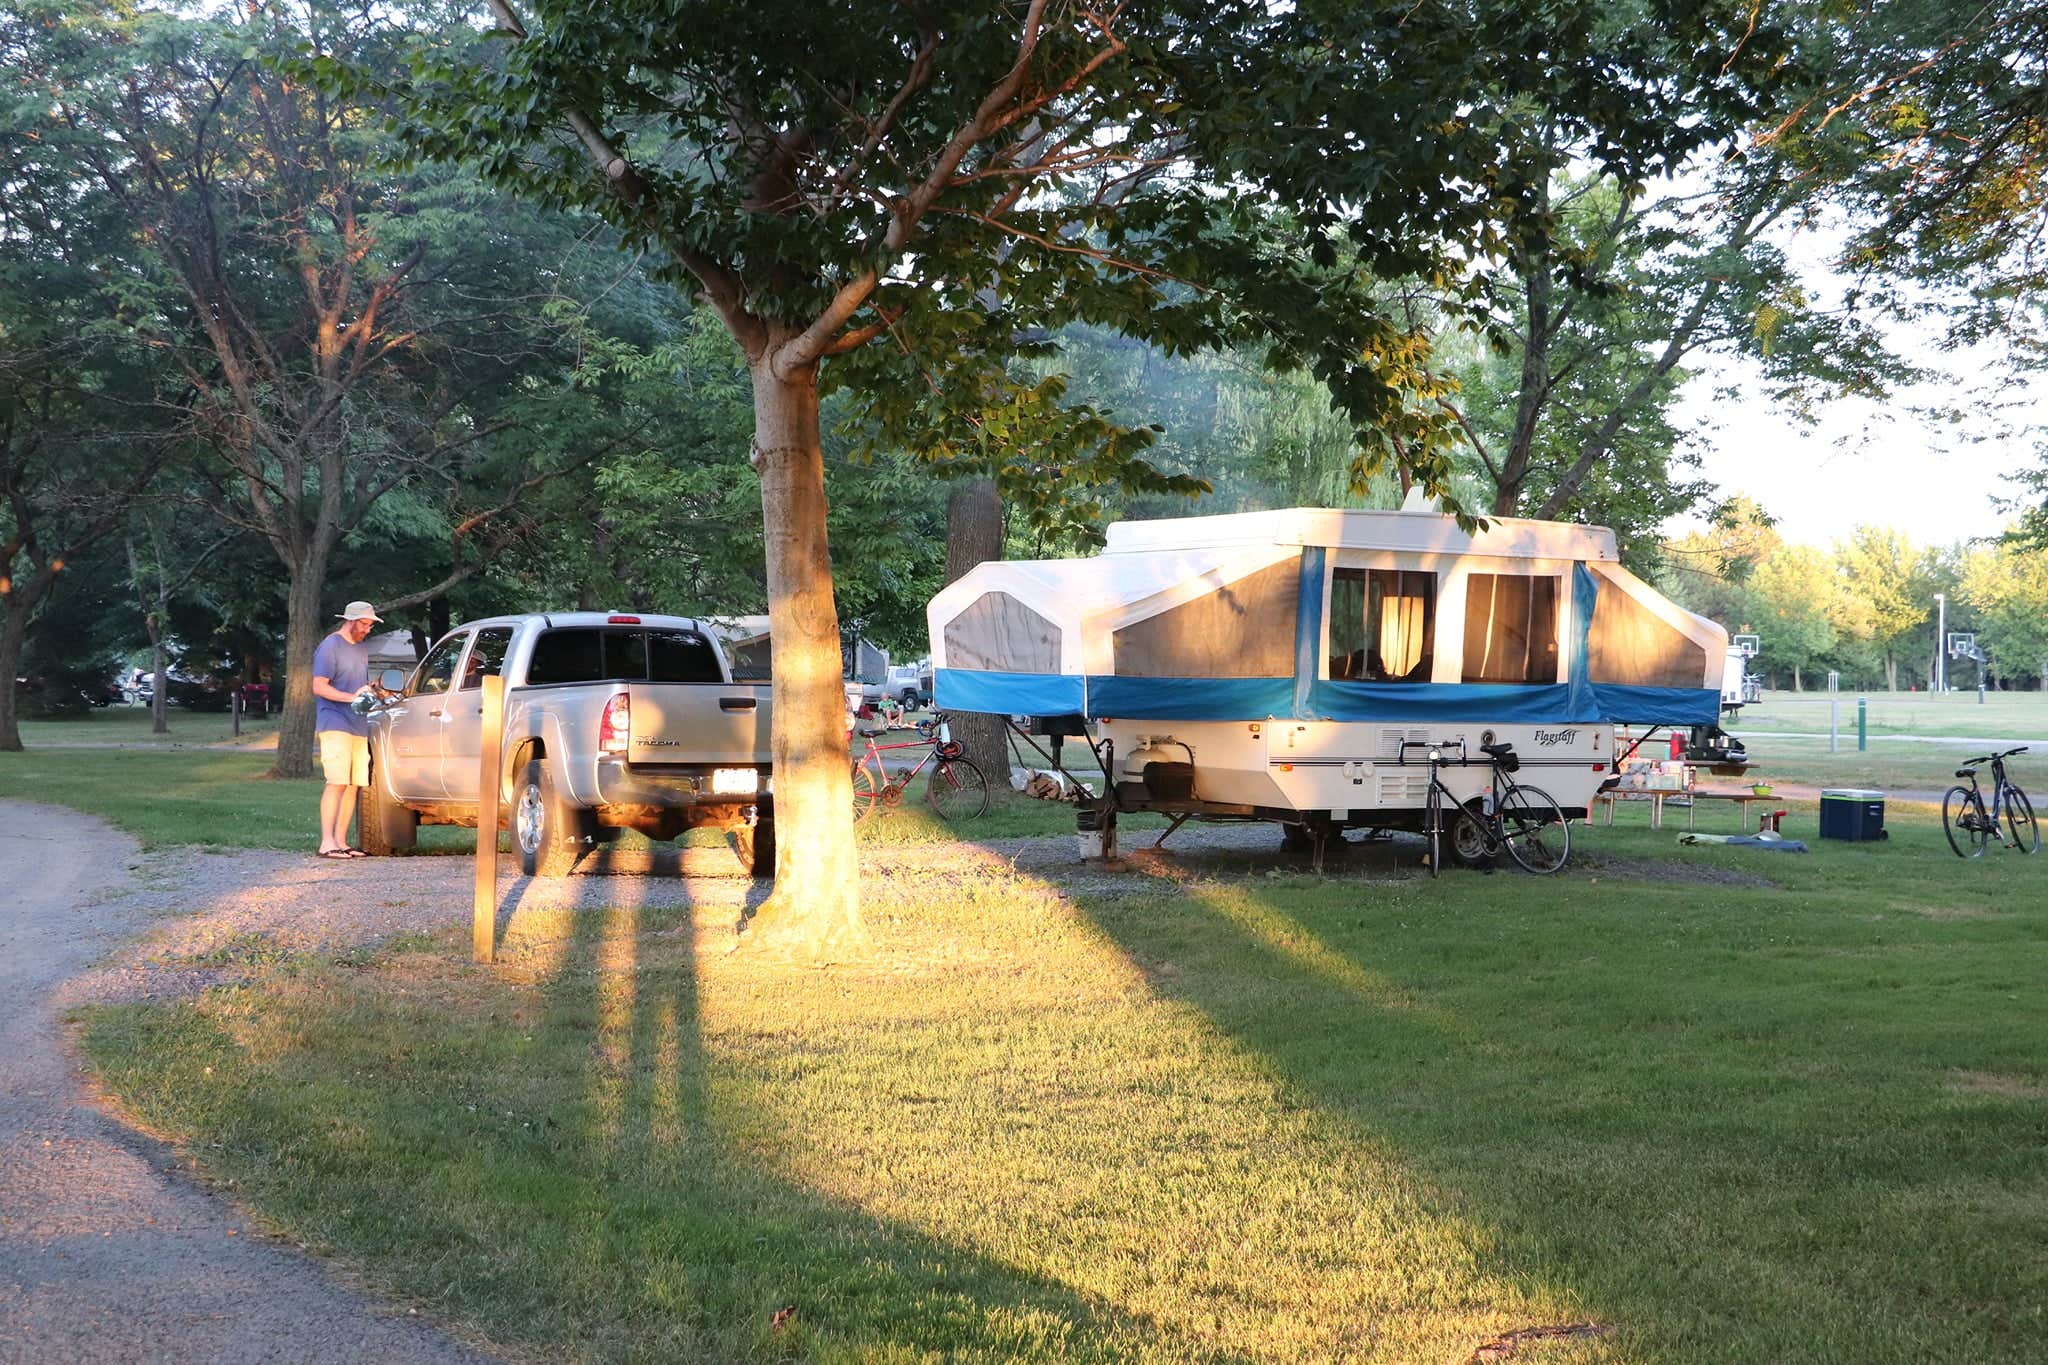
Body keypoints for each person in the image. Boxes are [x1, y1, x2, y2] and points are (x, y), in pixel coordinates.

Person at [311, 600, 380, 858]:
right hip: (335, 722)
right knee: (337, 781)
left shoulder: (361, 649)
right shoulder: (330, 646)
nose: (367, 629)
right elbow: (319, 686)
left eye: (370, 625)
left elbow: (357, 686)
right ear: (350, 621)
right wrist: (351, 697)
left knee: (353, 784)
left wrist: (370, 691)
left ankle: (342, 841)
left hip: (358, 724)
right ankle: (326, 842)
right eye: (364, 624)